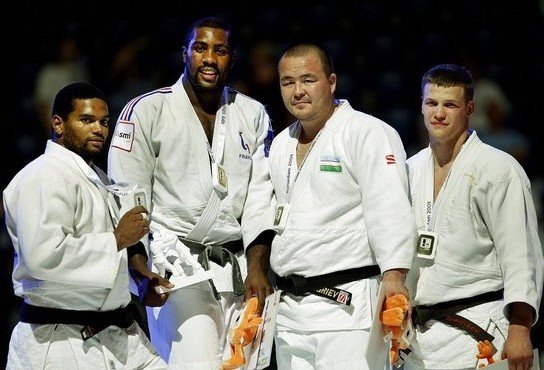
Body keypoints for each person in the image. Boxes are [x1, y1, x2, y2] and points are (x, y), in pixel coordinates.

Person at [107, 16, 275, 369]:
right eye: (200, 48)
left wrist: (257, 268)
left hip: (237, 267)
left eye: (220, 50)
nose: (209, 58)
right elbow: (127, 198)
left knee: (240, 363)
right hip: (176, 265)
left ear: (232, 58)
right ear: (185, 53)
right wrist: (140, 271)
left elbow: (261, 198)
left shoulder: (252, 113)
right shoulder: (147, 110)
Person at [258, 42, 417, 369]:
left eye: (308, 80)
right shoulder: (281, 143)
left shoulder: (366, 132)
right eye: (288, 82)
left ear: (331, 82)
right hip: (289, 310)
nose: (298, 91)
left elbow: (389, 207)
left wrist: (395, 274)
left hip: (347, 307)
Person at [2, 81, 168, 369]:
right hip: (58, 342)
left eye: (104, 122)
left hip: (117, 334)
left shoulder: (97, 177)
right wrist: (115, 239)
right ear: (59, 124)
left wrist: (141, 277)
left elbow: (111, 257)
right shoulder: (43, 177)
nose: (99, 129)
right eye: (87, 120)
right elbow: (42, 259)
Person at [402, 63, 544, 370]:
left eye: (450, 104)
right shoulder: (409, 170)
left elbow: (521, 254)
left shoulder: (498, 170)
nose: (438, 113)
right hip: (419, 342)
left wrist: (521, 328)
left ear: (469, 108)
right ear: (421, 106)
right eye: (431, 103)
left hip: (479, 332)